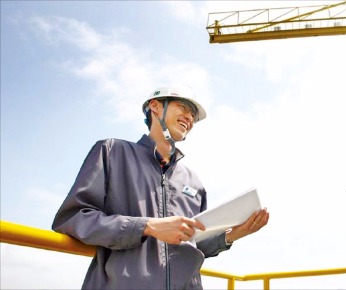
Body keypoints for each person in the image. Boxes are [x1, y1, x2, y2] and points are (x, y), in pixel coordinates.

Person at [52, 86, 269, 289]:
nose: (189, 118)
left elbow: (193, 245)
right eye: (183, 107)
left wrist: (231, 236)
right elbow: (73, 219)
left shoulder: (193, 181)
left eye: (193, 115)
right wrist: (147, 226)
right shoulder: (112, 152)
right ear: (155, 106)